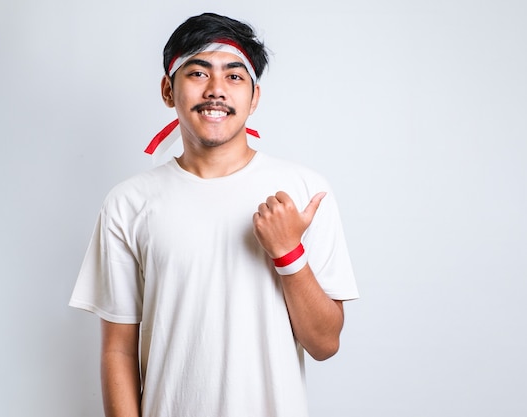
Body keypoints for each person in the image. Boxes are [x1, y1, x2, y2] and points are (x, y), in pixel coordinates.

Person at [69, 12, 359, 417]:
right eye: (198, 73)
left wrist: (288, 253)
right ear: (168, 90)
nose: (216, 90)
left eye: (235, 76)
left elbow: (325, 344)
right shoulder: (129, 202)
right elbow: (118, 348)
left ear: (254, 97)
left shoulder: (304, 193)